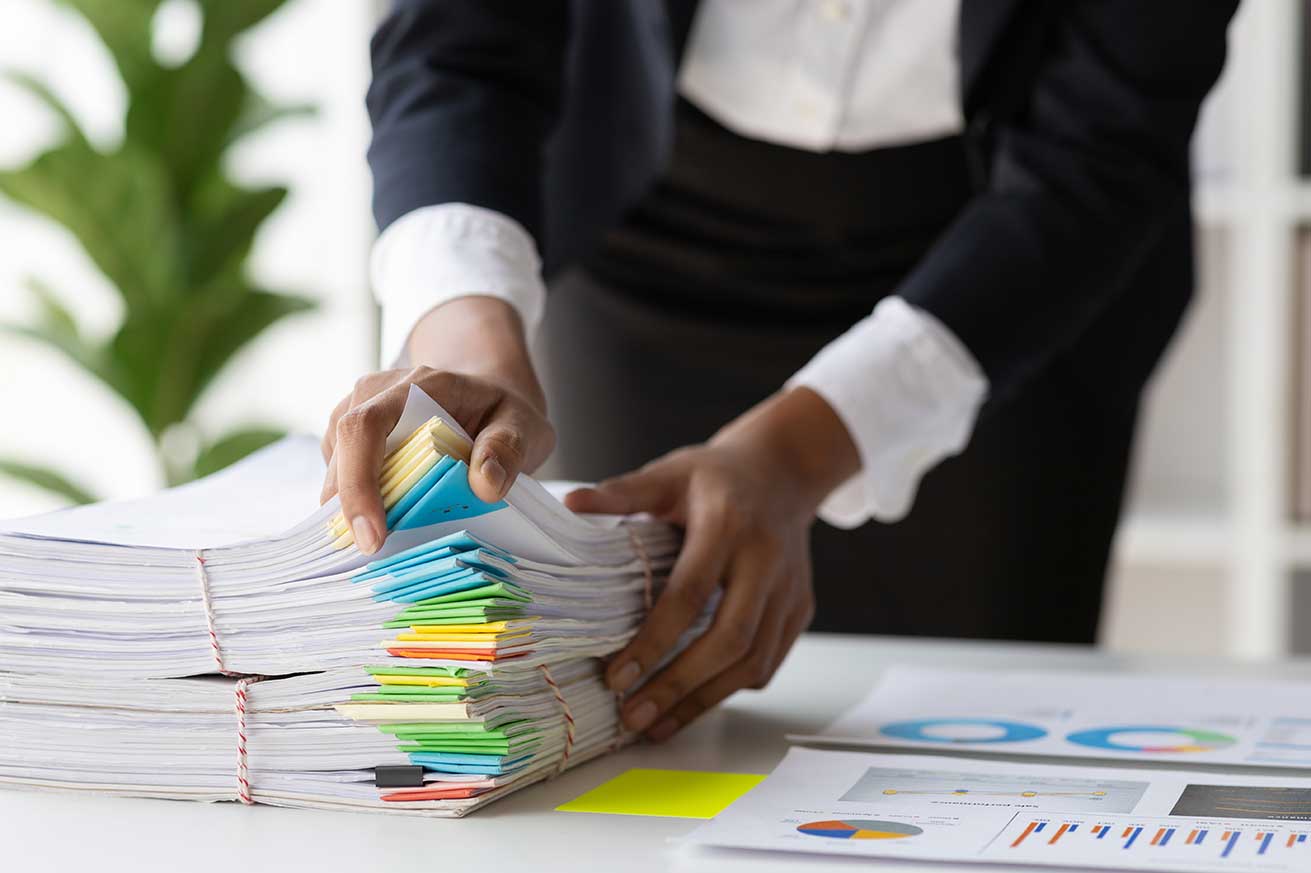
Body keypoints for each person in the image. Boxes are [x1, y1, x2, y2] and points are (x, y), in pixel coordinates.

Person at [321, 0, 1237, 741]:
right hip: (647, 228)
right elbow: (457, 42)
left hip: (1008, 279)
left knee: (979, 743)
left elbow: (1107, 148)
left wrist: (802, 453)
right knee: (623, 706)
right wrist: (471, 337)